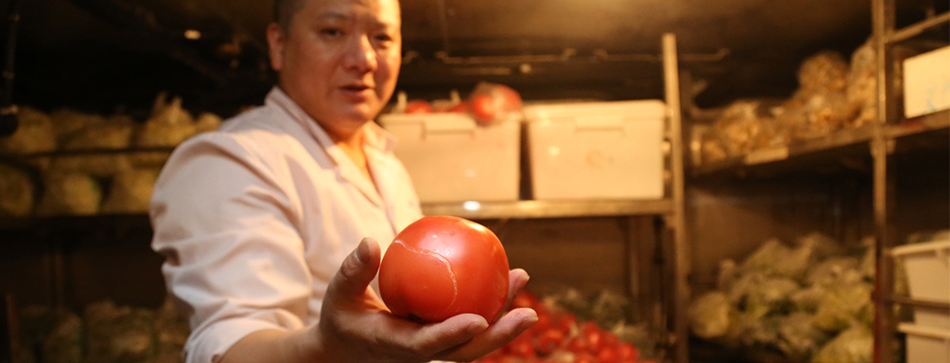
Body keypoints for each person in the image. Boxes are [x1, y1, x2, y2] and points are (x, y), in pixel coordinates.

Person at [149, 0, 538, 362]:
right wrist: (327, 344)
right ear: (279, 45)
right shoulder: (228, 163)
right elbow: (229, 346)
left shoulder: (385, 159)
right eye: (333, 32)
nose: (364, 59)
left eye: (382, 38)